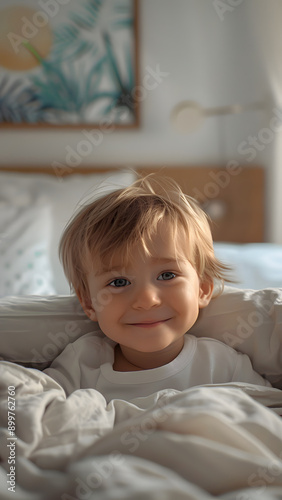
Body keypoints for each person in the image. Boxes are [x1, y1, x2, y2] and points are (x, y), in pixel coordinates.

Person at [44, 174, 271, 401]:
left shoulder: (221, 365)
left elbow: (267, 415)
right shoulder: (82, 364)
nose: (147, 300)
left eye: (167, 275)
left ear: (202, 288)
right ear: (89, 303)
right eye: (119, 282)